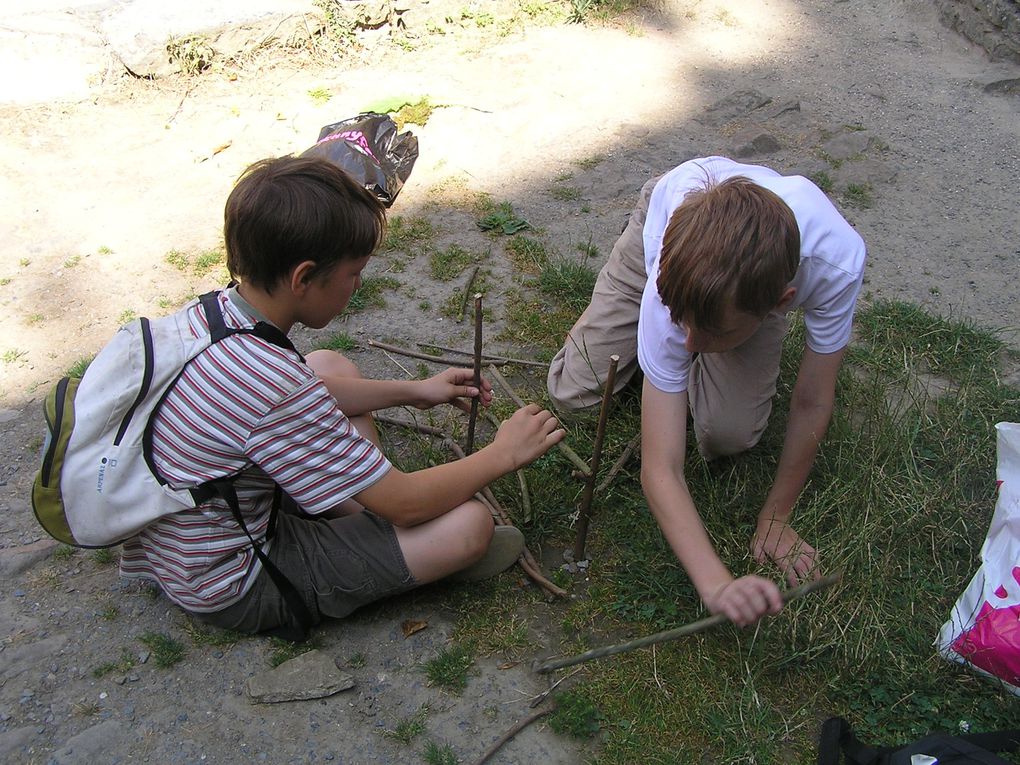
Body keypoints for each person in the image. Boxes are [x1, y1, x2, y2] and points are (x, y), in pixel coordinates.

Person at [120, 155, 565, 637]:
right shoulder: (273, 386)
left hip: (189, 529)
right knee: (470, 525)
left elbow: (298, 394)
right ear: (303, 277)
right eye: (354, 273)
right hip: (234, 576)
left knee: (328, 363)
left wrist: (413, 391)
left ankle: (364, 517)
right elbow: (408, 502)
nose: (358, 286)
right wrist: (503, 453)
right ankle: (395, 541)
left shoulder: (217, 313)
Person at [547, 156, 866, 627]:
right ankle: (630, 286)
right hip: (670, 229)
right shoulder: (669, 276)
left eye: (710, 333)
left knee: (726, 436)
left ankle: (704, 339)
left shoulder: (836, 262)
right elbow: (661, 468)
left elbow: (813, 400)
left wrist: (776, 517)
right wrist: (715, 582)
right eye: (683, 324)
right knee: (574, 394)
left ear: (781, 301)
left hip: (749, 286)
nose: (692, 344)